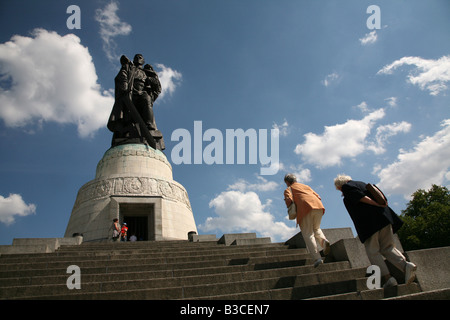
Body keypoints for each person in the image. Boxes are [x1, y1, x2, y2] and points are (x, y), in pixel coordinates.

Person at [334, 174, 417, 288]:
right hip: (384, 218)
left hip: (370, 223)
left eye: (339, 189)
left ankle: (388, 278)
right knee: (387, 247)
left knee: (372, 251)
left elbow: (361, 198)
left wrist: (375, 204)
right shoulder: (363, 184)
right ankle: (406, 265)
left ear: (340, 185)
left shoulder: (347, 187)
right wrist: (380, 205)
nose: (340, 192)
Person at [284, 173, 331, 267]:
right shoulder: (306, 186)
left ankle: (317, 258)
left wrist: (287, 203)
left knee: (308, 234)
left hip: (305, 209)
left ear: (287, 182)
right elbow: (319, 196)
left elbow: (289, 201)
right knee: (316, 228)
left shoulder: (288, 189)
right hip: (318, 207)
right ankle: (323, 241)